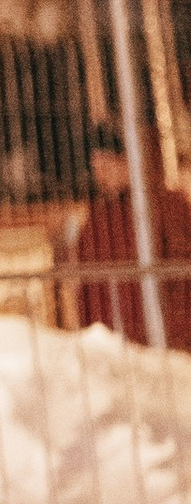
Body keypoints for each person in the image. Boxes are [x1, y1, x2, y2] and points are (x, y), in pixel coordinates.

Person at [67, 136, 191, 351]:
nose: (100, 176)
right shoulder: (98, 216)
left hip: (168, 331)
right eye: (97, 168)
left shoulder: (168, 204)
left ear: (127, 163)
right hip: (117, 333)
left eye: (107, 166)